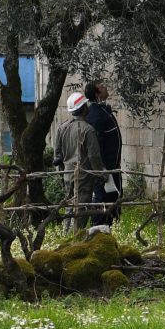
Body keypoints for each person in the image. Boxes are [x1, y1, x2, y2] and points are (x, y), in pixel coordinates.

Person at [53, 91, 104, 231]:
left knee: (69, 207)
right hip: (83, 175)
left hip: (67, 174)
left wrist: (62, 171)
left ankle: (66, 236)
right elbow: (94, 157)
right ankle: (75, 239)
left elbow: (57, 154)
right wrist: (102, 174)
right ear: (83, 108)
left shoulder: (62, 127)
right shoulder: (88, 130)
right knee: (81, 209)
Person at [84, 81, 123, 226]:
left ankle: (106, 230)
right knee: (103, 201)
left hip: (112, 167)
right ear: (97, 93)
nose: (105, 86)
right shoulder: (95, 115)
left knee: (111, 200)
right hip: (105, 169)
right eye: (101, 86)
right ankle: (98, 231)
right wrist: (102, 170)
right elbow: (96, 145)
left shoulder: (103, 111)